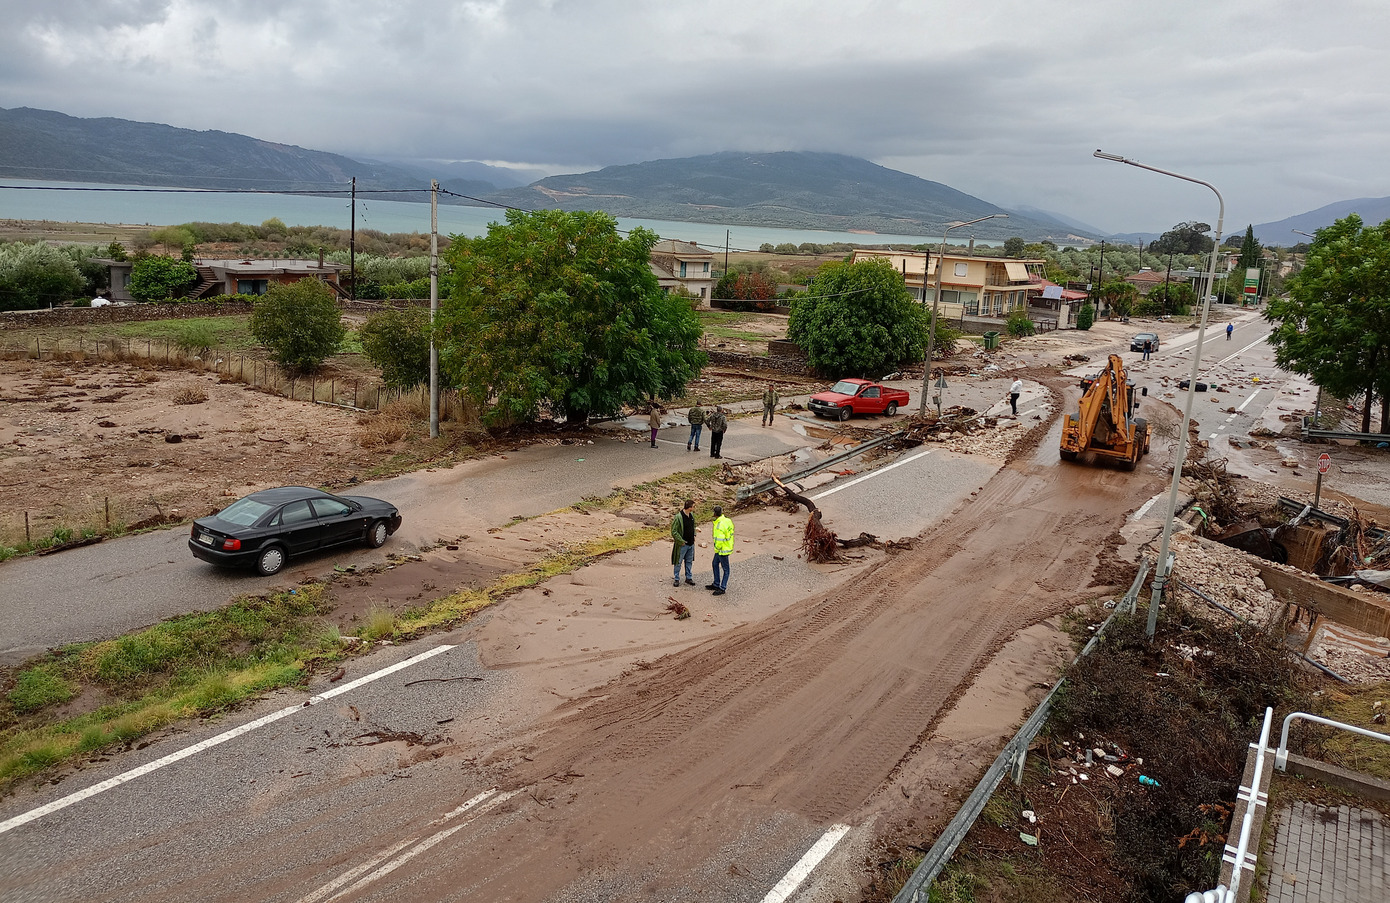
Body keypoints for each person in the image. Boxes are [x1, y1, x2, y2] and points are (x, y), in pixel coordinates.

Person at [707, 505, 734, 595]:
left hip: (722, 550)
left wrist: (717, 548)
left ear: (715, 514)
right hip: (726, 547)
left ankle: (722, 587)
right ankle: (716, 583)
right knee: (715, 564)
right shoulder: (727, 521)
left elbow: (719, 539)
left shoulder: (719, 525)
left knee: (726, 569)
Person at [670, 499, 696, 587]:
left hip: (691, 544)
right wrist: (681, 541)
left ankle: (688, 577)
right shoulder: (678, 517)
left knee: (689, 562)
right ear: (689, 507)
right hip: (683, 544)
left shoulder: (691, 515)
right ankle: (676, 578)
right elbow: (674, 531)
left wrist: (694, 535)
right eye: (693, 506)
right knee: (678, 562)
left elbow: (693, 526)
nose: (694, 508)